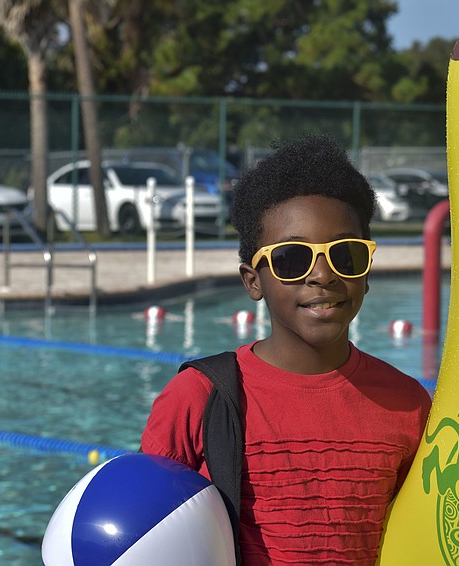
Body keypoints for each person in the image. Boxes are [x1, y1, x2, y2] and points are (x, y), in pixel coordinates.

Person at [140, 134, 433, 565]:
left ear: (367, 272)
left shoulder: (407, 404)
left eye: (345, 256)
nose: (323, 276)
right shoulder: (201, 397)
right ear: (252, 280)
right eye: (292, 259)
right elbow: (148, 529)